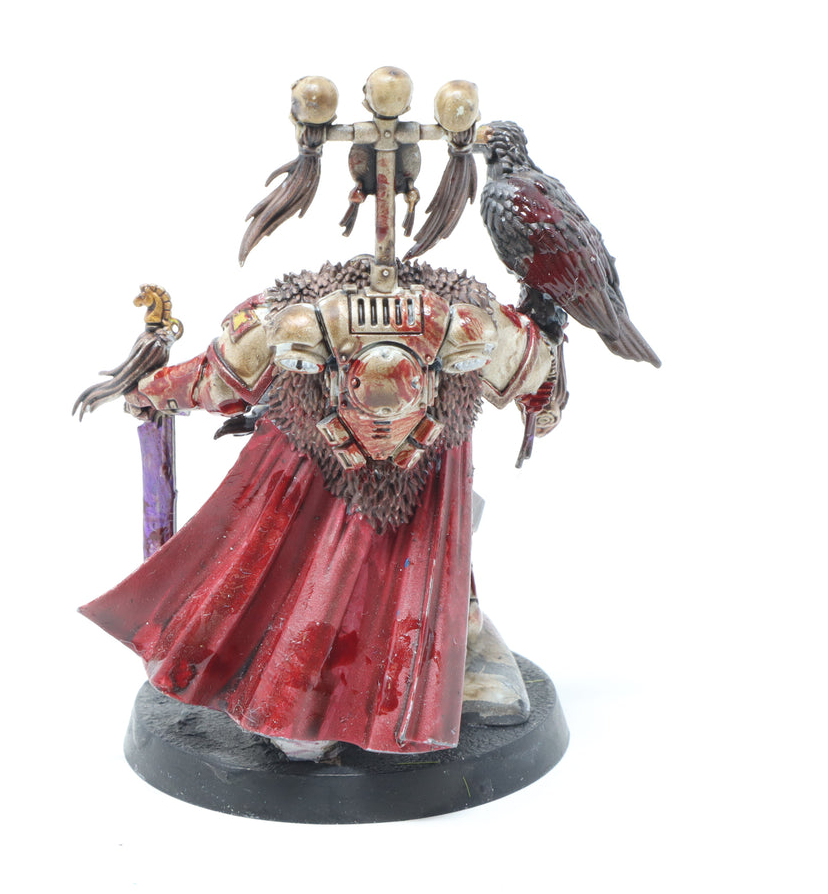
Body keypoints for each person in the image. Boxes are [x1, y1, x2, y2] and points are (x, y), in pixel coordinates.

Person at [80, 256, 563, 759]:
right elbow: (216, 379)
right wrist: (152, 390)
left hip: (430, 483)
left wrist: (150, 391)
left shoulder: (470, 323)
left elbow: (536, 369)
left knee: (433, 559)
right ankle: (300, 699)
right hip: (316, 473)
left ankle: (460, 645)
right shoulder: (291, 323)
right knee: (310, 578)